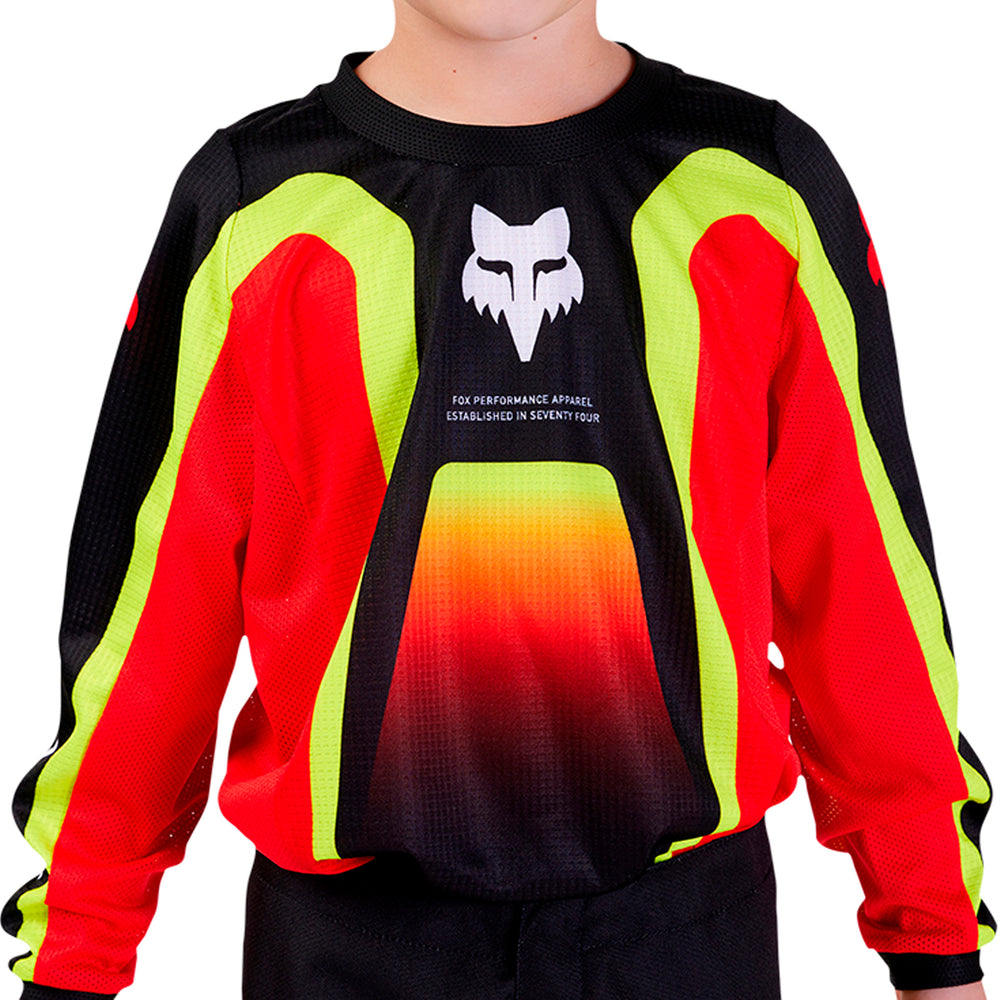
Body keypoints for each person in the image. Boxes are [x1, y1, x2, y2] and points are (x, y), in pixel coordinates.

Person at [2, 1, 993, 998]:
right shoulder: (257, 202)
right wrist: (76, 950)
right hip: (348, 949)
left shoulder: (756, 185)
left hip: (681, 937)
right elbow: (153, 611)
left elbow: (863, 582)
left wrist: (934, 937)